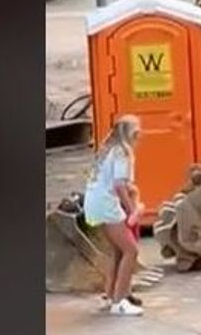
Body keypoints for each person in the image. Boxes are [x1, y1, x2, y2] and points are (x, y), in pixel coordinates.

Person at [82, 115, 144, 317]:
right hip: (106, 204)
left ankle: (110, 294)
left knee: (117, 250)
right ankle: (119, 302)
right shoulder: (122, 152)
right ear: (132, 134)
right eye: (138, 133)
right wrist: (132, 209)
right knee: (131, 251)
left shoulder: (107, 148)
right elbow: (119, 185)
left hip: (93, 201)